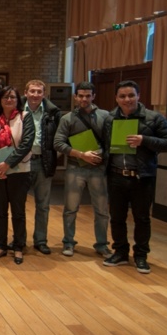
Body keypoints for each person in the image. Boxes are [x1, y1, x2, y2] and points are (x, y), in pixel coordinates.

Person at [102, 80, 167, 274]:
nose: (127, 100)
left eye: (131, 95)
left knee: (141, 218)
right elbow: (105, 143)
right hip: (116, 175)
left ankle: (141, 255)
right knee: (117, 217)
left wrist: (145, 140)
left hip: (142, 177)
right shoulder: (110, 119)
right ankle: (120, 252)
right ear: (116, 98)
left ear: (138, 96)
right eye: (123, 96)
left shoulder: (153, 118)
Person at [53, 81, 111, 257]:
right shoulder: (67, 119)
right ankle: (68, 242)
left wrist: (99, 153)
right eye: (81, 96)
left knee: (102, 210)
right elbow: (58, 143)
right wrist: (80, 154)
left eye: (88, 95)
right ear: (75, 97)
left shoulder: (106, 116)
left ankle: (102, 244)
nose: (84, 99)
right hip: (75, 168)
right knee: (70, 208)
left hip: (98, 168)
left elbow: (111, 142)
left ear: (93, 96)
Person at [0, 86, 34, 265]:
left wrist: (7, 164)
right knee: (0, 211)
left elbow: (26, 143)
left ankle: (18, 246)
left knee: (18, 212)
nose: (9, 100)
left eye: (12, 97)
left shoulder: (25, 117)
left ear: (18, 100)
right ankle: (1, 245)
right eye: (5, 97)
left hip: (19, 171)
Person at [22, 79, 61, 255]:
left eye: (39, 92)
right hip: (21, 162)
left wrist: (53, 157)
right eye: (32, 91)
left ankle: (40, 240)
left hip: (43, 162)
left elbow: (60, 139)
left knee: (43, 204)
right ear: (26, 93)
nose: (35, 95)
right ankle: (19, 239)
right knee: (18, 203)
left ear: (44, 94)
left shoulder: (53, 114)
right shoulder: (16, 111)